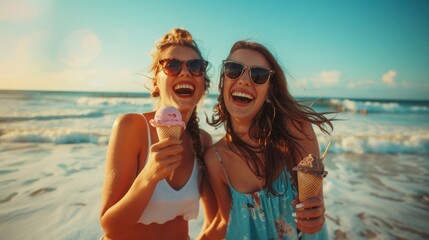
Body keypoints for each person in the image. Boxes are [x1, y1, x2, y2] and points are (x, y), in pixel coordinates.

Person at [201, 40, 333, 239]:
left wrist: (315, 214)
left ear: (269, 89)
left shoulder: (297, 131)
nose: (244, 80)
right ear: (223, 81)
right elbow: (223, 223)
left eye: (258, 75)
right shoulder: (215, 159)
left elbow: (314, 207)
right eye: (233, 69)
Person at [100, 28, 217, 240]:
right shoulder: (131, 126)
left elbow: (216, 221)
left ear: (203, 84)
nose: (185, 72)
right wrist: (149, 176)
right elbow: (111, 227)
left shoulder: (204, 141)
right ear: (156, 82)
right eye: (172, 65)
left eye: (195, 66)